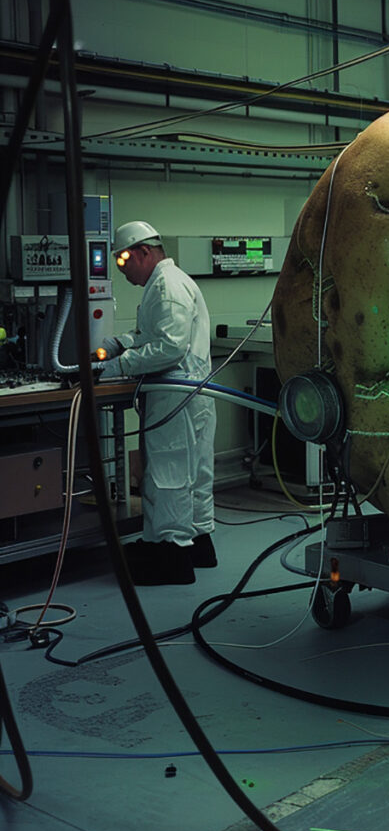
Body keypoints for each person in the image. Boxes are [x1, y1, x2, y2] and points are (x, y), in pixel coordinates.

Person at [98, 221, 217, 586]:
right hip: (190, 395)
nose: (122, 270)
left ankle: (172, 555)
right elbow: (156, 334)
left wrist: (116, 367)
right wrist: (119, 343)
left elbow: (169, 348)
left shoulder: (165, 287)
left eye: (123, 261)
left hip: (174, 396)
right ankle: (199, 545)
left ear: (144, 252)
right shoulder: (168, 283)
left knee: (168, 476)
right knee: (193, 473)